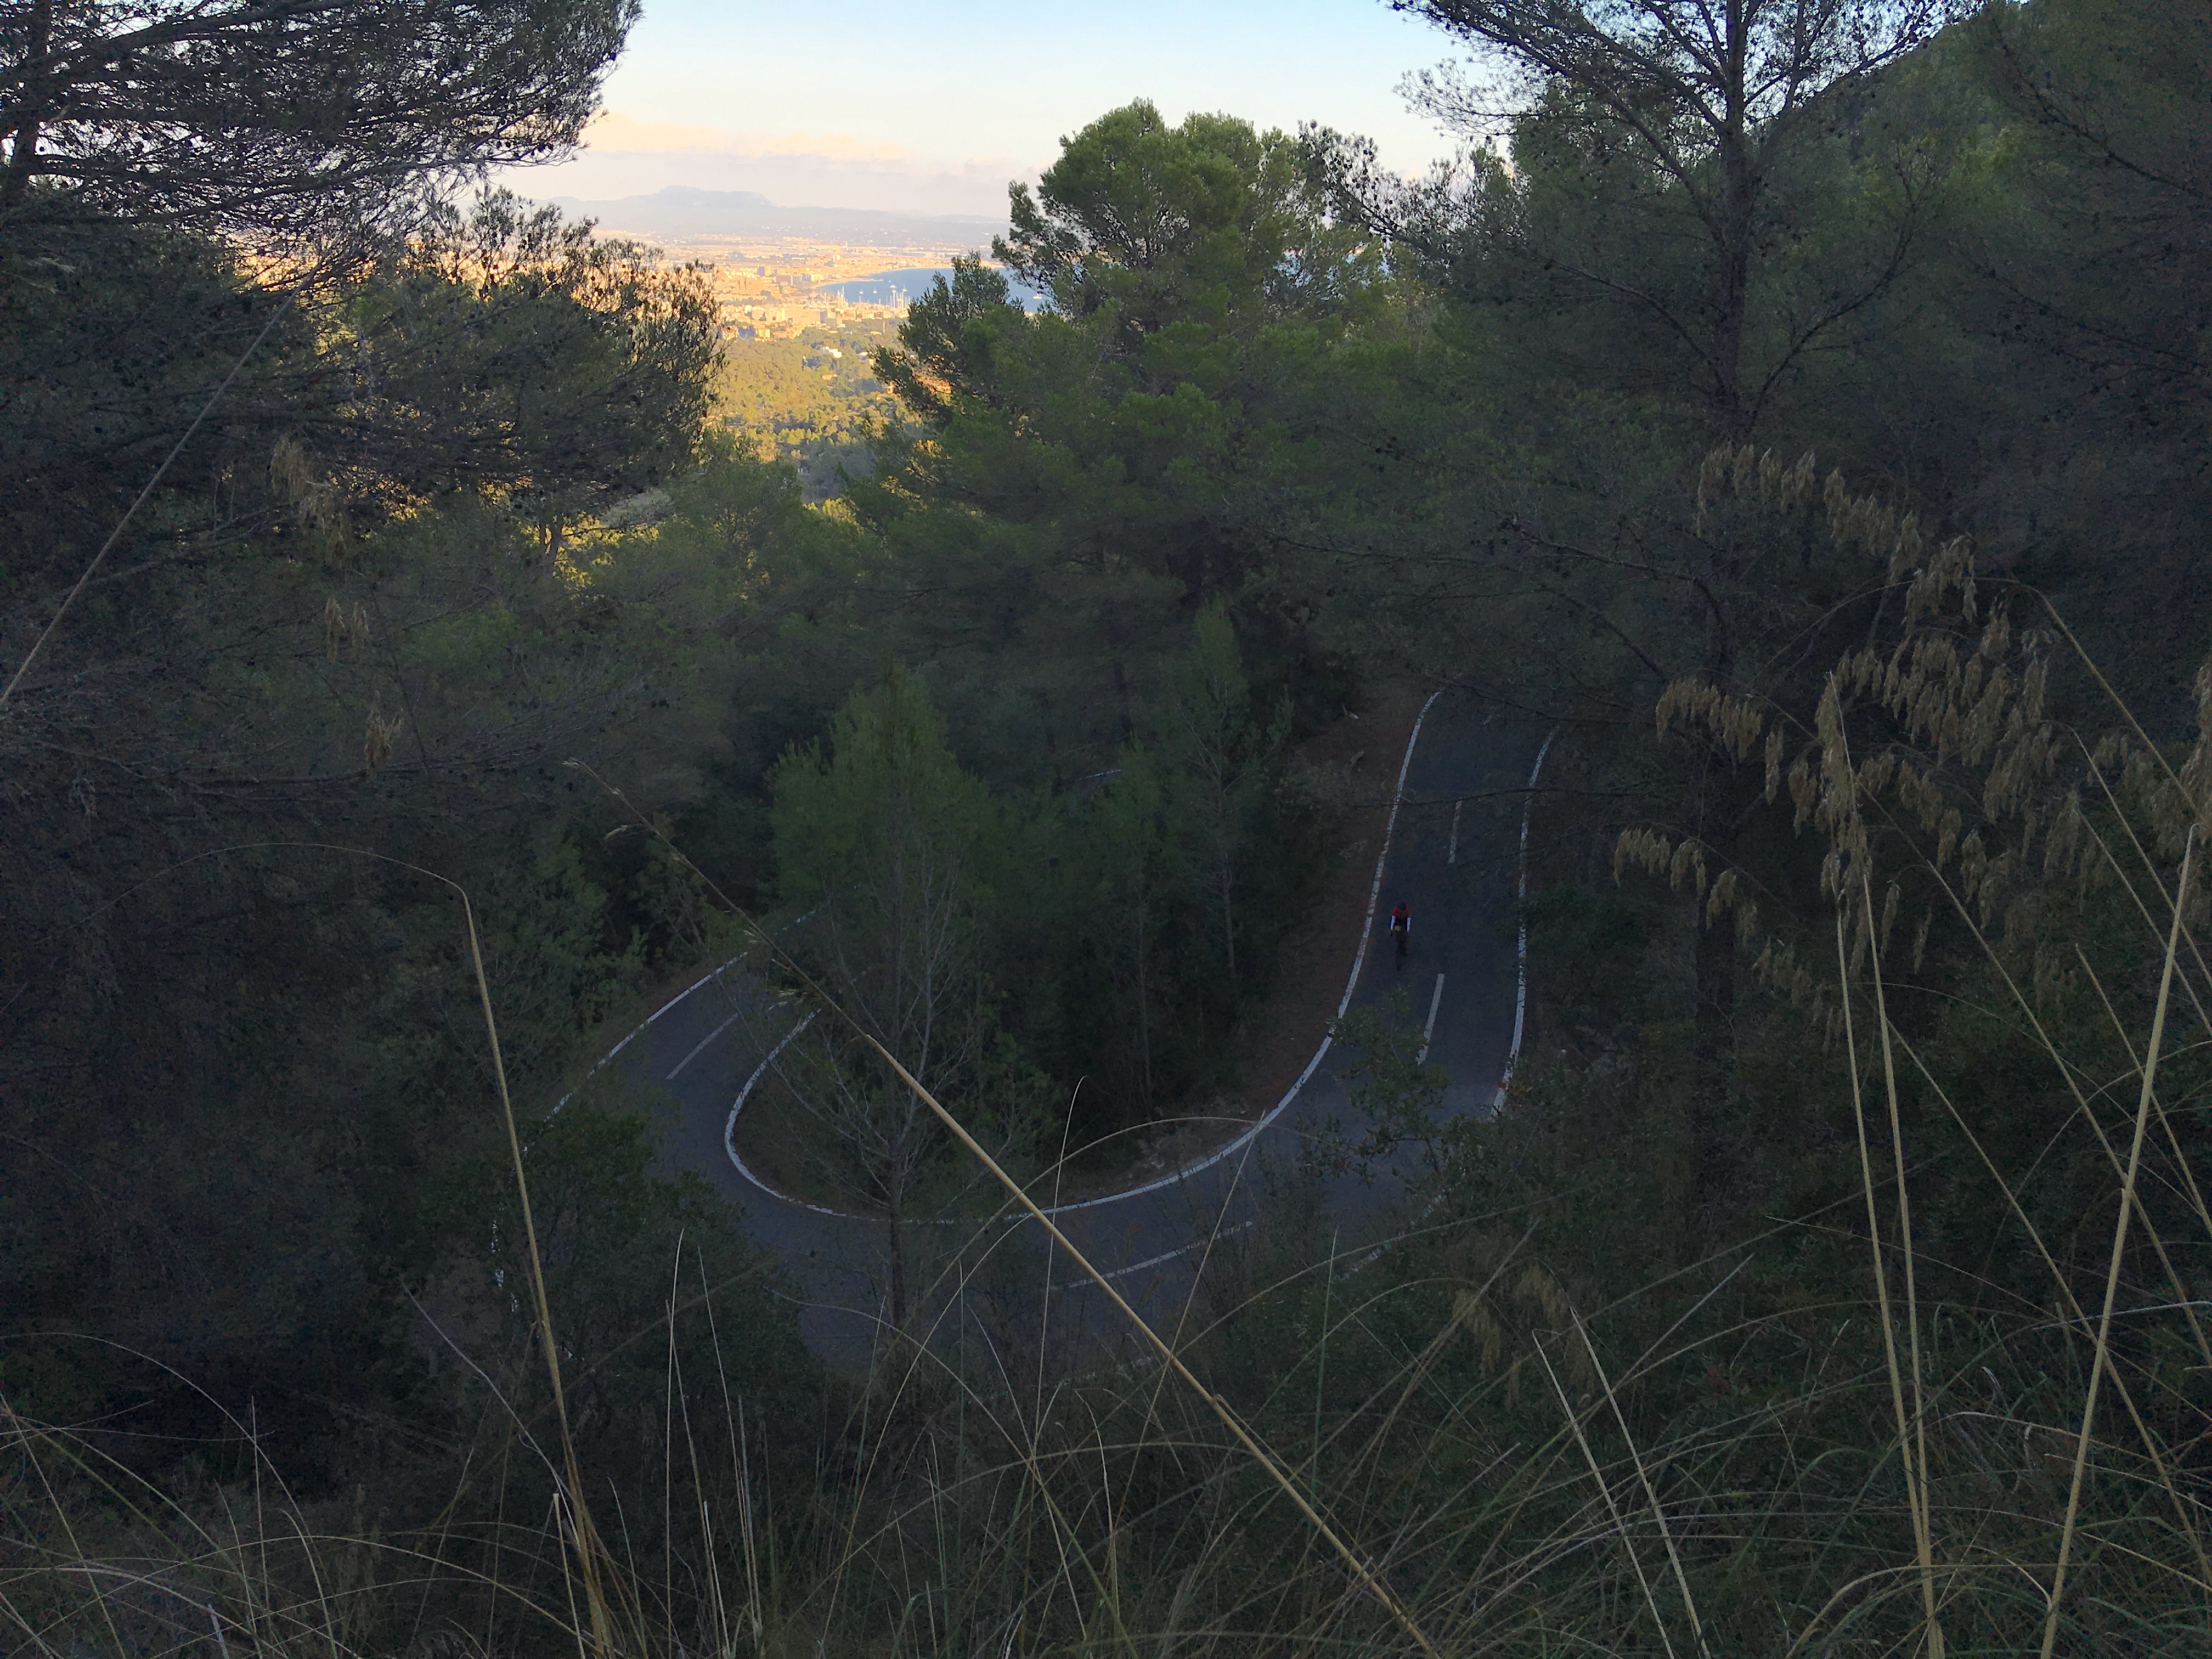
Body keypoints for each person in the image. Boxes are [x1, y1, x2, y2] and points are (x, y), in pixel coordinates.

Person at [1388, 902, 1411, 966]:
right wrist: (1391, 928)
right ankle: (1398, 939)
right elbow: (1393, 919)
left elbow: (1408, 921)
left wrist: (1408, 930)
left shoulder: (1407, 912)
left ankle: (1405, 948)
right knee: (1397, 931)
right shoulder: (1396, 911)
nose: (1400, 911)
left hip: (1404, 924)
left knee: (1405, 937)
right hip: (1397, 924)